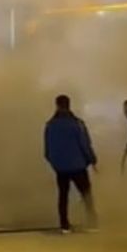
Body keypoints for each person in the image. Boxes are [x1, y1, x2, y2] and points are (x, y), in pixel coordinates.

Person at [43, 95, 98, 234]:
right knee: (86, 194)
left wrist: (55, 163)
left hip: (60, 168)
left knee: (63, 195)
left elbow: (47, 151)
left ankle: (64, 225)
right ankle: (93, 223)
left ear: (57, 105)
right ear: (69, 105)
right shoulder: (77, 124)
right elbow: (85, 144)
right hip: (78, 166)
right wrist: (92, 160)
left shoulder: (50, 125)